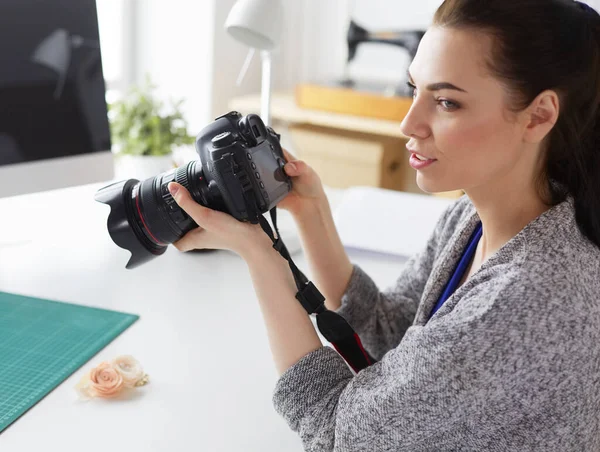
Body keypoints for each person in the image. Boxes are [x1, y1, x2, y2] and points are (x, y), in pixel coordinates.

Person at [166, 0, 600, 449]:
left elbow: (339, 435)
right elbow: (391, 332)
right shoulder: (481, 215)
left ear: (540, 115)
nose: (408, 123)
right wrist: (312, 214)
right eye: (413, 89)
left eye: (447, 102)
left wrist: (259, 252)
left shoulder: (524, 302)